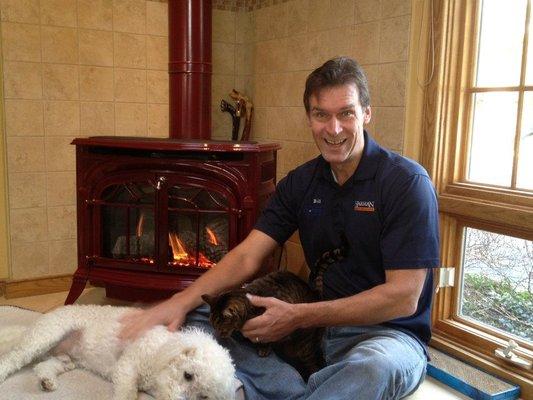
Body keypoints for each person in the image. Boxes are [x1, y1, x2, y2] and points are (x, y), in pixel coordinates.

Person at [120, 56, 440, 400]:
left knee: (374, 368)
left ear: (366, 113)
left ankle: (288, 388)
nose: (333, 129)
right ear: (309, 119)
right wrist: (179, 301)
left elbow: (404, 298)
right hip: (312, 332)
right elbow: (247, 256)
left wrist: (299, 317)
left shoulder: (405, 182)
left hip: (386, 336)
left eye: (346, 113)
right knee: (197, 316)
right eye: (322, 115)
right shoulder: (301, 182)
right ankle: (299, 390)